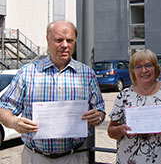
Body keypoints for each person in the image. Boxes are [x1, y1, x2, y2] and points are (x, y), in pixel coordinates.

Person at [0, 20, 105, 164]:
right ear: (47, 40)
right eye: (58, 40)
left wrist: (98, 116)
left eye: (70, 40)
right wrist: (13, 122)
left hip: (75, 157)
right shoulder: (27, 73)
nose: (65, 45)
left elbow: (100, 110)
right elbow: (4, 108)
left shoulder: (87, 74)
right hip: (35, 157)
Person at [107, 49, 161, 164]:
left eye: (148, 65)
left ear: (156, 68)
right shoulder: (124, 96)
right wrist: (121, 130)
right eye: (138, 67)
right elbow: (111, 131)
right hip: (130, 160)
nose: (144, 70)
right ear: (133, 71)